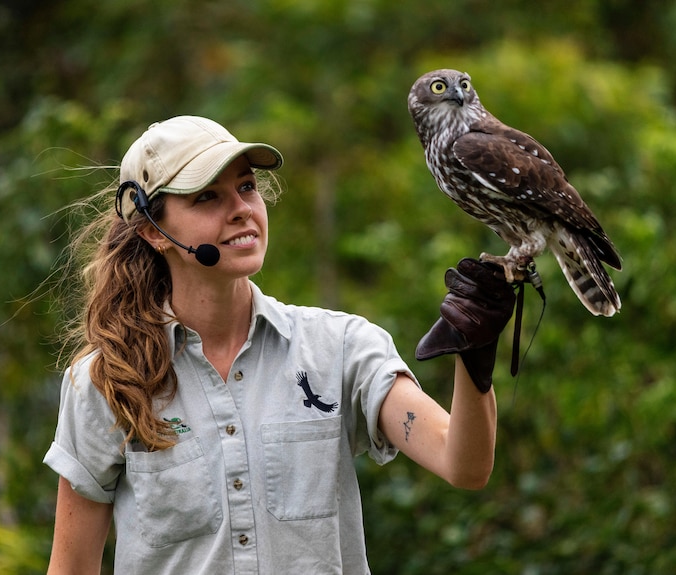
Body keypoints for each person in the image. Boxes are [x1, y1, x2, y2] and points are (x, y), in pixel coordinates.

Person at [43, 115, 517, 574]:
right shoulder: (107, 381)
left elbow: (463, 464)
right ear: (152, 229)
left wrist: (474, 354)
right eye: (207, 197)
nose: (241, 209)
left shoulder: (341, 347)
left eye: (246, 187)